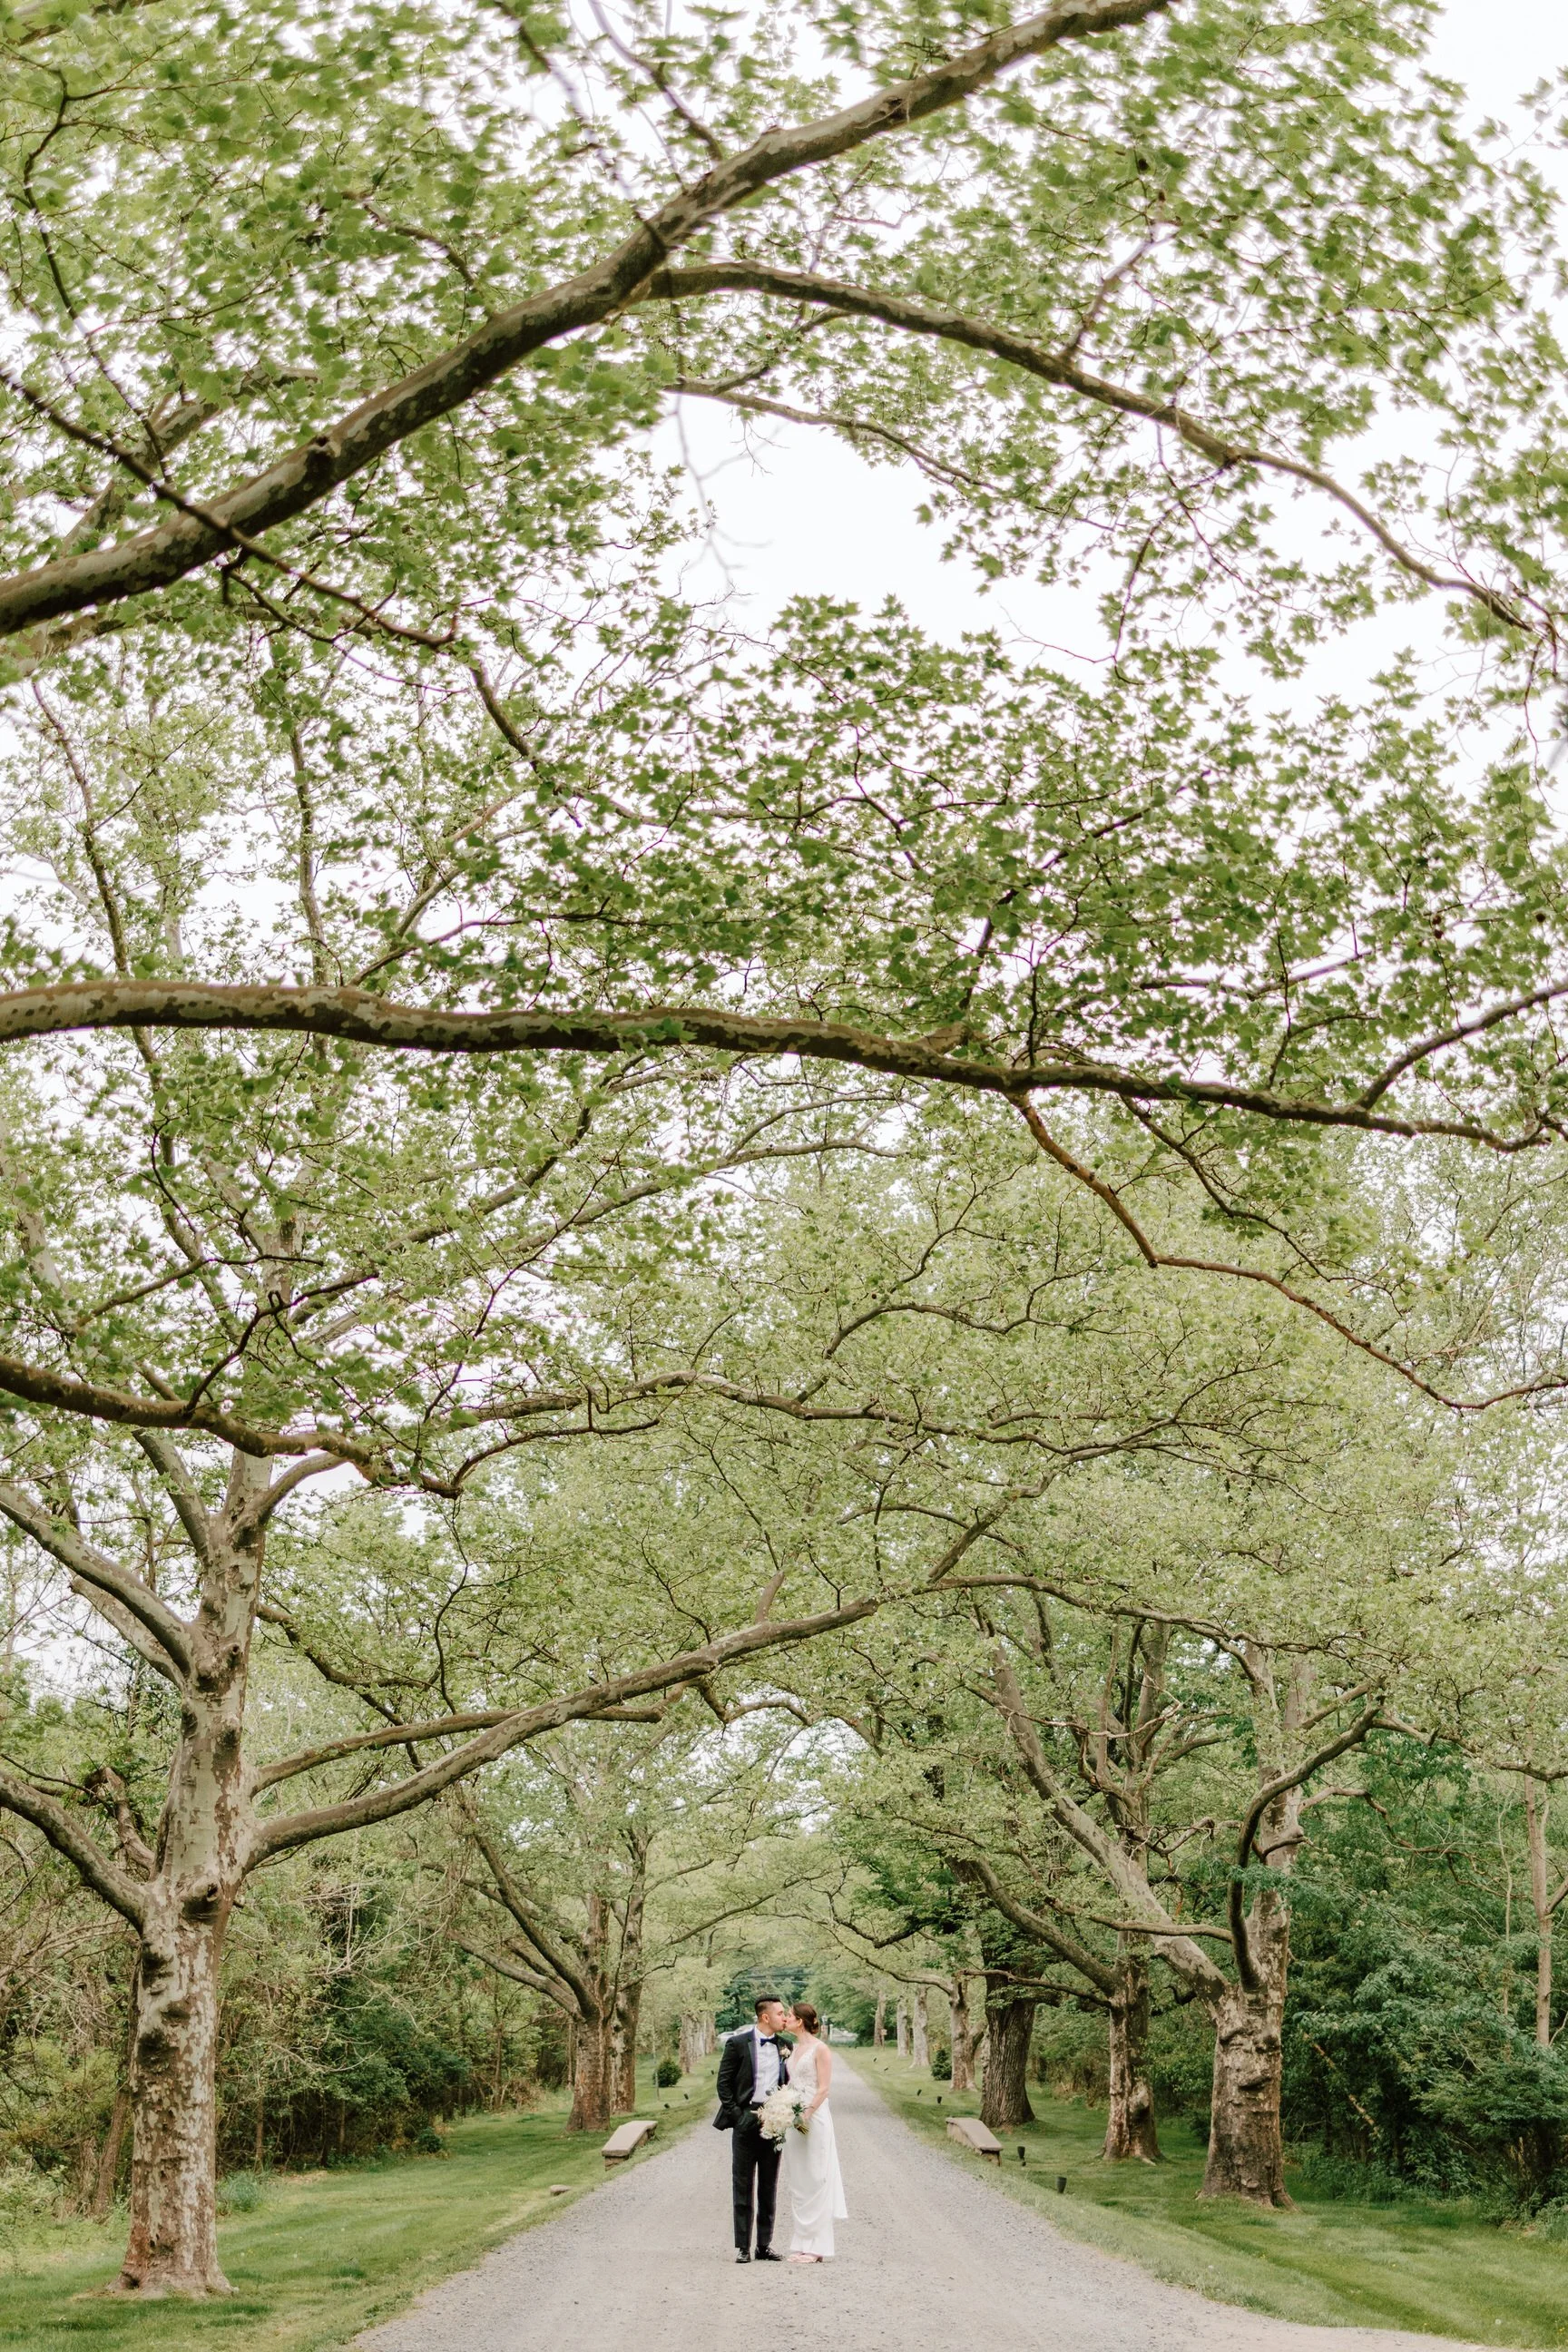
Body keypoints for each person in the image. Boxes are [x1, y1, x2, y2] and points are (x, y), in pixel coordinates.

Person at [714, 1994, 790, 2262]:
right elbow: (723, 2084)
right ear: (765, 2017)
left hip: (775, 2121)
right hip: (746, 2119)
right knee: (743, 2184)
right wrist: (738, 2116)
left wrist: (786, 2112)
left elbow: (789, 2084)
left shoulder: (785, 2045)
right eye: (781, 2013)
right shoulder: (737, 2044)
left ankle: (764, 2245)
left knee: (769, 2186)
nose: (785, 2017)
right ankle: (743, 2247)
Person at [779, 2004, 848, 2262]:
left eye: (789, 2016)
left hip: (814, 2118)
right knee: (799, 2180)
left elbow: (824, 2088)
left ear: (800, 2021)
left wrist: (805, 2114)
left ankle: (818, 2247)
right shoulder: (793, 2049)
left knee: (817, 2177)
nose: (785, 2019)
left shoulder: (821, 2049)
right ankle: (803, 2242)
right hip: (793, 2120)